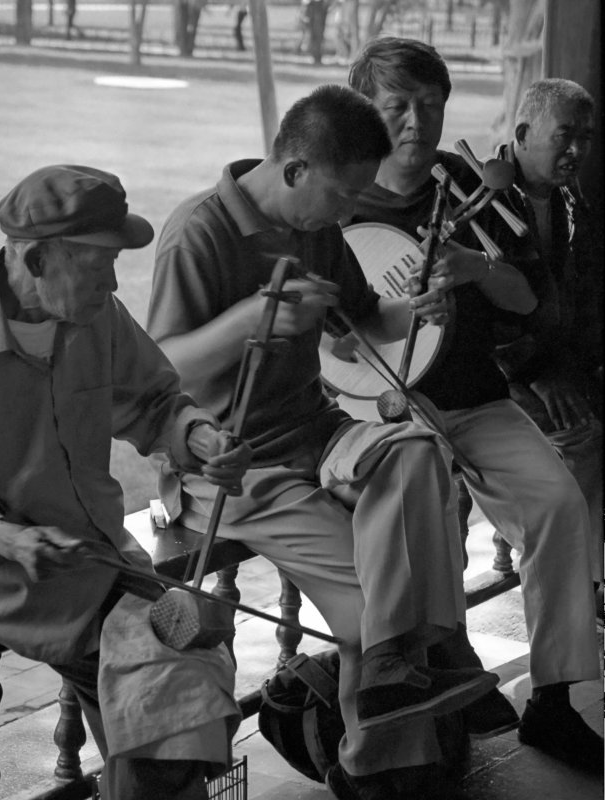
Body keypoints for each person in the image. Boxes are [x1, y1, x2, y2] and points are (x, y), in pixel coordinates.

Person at [148, 84, 499, 800]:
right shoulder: (199, 233)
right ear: (295, 169)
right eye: (341, 196)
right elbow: (161, 370)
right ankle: (387, 762)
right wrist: (252, 318)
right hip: (234, 465)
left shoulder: (317, 227)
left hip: (316, 433)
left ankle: (412, 679)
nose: (348, 215)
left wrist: (425, 306)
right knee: (378, 603)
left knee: (418, 449)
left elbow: (364, 323)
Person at [0, 165, 253, 800]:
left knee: (195, 644)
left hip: (92, 549)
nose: (115, 282)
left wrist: (200, 438)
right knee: (162, 675)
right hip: (2, 571)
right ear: (37, 259)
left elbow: (154, 402)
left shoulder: (97, 316)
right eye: (100, 266)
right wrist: (9, 538)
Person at [347, 37, 602, 775]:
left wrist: (473, 267)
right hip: (386, 415)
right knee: (428, 524)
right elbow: (327, 334)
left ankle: (553, 700)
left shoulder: (463, 185)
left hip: (476, 400)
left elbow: (529, 301)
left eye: (432, 105)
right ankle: (445, 700)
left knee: (559, 506)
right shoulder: (341, 199)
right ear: (365, 107)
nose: (417, 121)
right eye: (398, 104)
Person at [491, 78, 603, 588]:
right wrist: (539, 373)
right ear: (522, 132)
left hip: (552, 364)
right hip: (500, 371)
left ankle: (588, 583)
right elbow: (482, 315)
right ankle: (570, 587)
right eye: (564, 136)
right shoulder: (483, 197)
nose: (576, 150)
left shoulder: (567, 199)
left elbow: (575, 301)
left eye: (585, 137)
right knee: (581, 439)